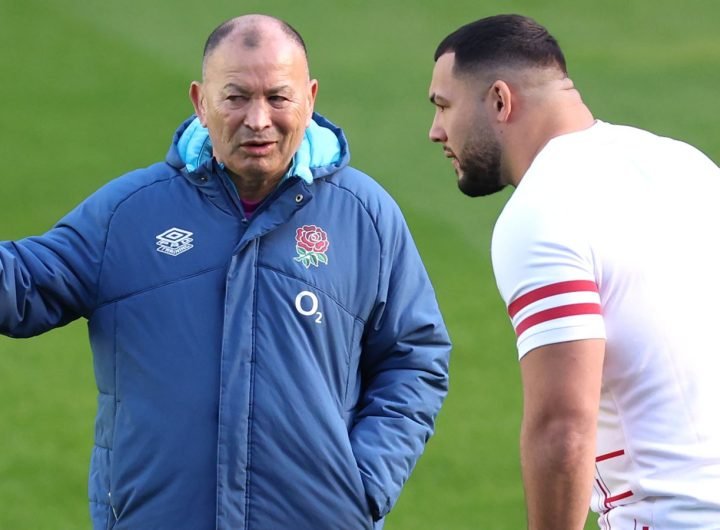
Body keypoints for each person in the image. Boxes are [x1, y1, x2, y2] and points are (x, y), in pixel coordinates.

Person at [0, 14, 451, 530]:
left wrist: (364, 484)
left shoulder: (365, 216)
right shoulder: (130, 214)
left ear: (310, 98)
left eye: (278, 98)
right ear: (200, 101)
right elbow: (21, 284)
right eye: (236, 97)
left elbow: (414, 358)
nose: (258, 120)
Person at [428, 13, 720, 530]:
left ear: (499, 100)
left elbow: (562, 428)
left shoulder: (541, 212)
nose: (435, 132)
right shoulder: (688, 165)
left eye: (444, 106)